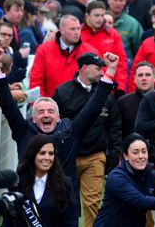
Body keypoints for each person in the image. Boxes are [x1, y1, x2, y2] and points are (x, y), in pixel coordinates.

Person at [0, 48, 118, 205]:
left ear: (58, 117)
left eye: (51, 111)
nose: (46, 115)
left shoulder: (71, 131)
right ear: (34, 118)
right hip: (27, 204)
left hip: (61, 204)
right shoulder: (23, 130)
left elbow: (94, 105)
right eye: (41, 112)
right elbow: (7, 103)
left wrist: (110, 70)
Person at [52, 52, 122, 227]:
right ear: (84, 68)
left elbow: (114, 127)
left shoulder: (105, 93)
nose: (101, 72)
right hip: (67, 157)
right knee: (66, 202)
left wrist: (113, 159)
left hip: (95, 156)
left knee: (93, 204)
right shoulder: (62, 91)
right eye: (98, 68)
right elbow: (53, 126)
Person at [94, 133, 155, 227]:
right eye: (135, 152)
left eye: (144, 151)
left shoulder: (150, 175)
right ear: (125, 156)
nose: (141, 156)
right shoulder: (117, 177)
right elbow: (139, 201)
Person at [3, 135, 77, 227]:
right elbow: (9, 221)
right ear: (32, 154)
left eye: (51, 153)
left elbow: (71, 222)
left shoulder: (65, 184)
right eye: (42, 153)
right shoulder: (17, 184)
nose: (47, 158)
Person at [30, 14, 98, 97]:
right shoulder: (44, 50)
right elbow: (36, 80)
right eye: (72, 29)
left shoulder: (90, 52)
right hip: (51, 106)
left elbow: (97, 81)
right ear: (61, 30)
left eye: (78, 28)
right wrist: (41, 105)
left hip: (82, 106)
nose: (77, 32)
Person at [81, 1, 128, 93]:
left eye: (102, 15)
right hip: (83, 85)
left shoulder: (113, 35)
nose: (100, 19)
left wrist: (120, 88)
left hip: (106, 85)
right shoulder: (78, 33)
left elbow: (121, 64)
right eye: (96, 15)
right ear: (88, 16)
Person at [118, 61, 155, 139]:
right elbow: (117, 131)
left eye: (148, 75)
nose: (144, 78)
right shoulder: (123, 102)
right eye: (140, 75)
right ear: (135, 79)